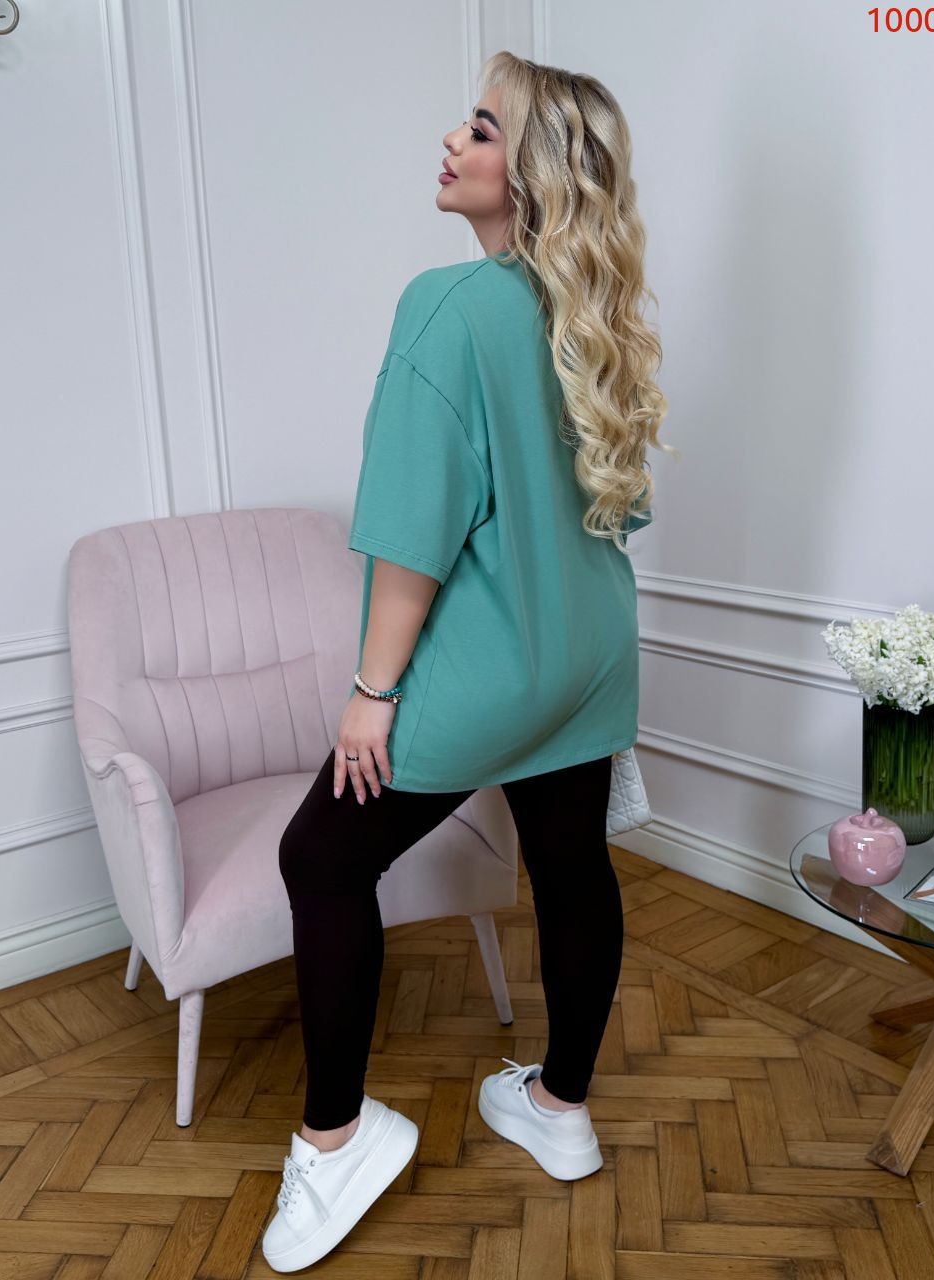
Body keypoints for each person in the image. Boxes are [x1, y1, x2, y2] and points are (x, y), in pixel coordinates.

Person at [262, 50, 673, 1273]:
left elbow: (411, 525)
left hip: (492, 661)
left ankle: (337, 1141)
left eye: (484, 129)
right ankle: (558, 1109)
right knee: (569, 863)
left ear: (533, 171)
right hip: (589, 651)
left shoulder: (446, 306)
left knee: (318, 856)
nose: (453, 139)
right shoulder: (593, 318)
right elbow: (620, 509)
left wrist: (371, 692)